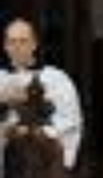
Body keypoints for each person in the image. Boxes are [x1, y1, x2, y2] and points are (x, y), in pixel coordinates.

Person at [0, 18, 83, 169]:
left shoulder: (56, 78)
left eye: (23, 41)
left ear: (34, 44)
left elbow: (69, 120)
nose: (17, 47)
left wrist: (33, 132)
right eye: (11, 42)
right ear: (5, 46)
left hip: (38, 155)